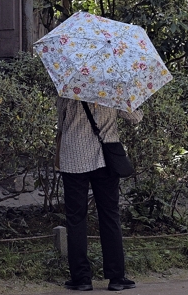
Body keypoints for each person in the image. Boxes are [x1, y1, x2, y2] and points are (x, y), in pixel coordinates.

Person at [57, 97, 142, 292]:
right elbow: (135, 116)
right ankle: (116, 277)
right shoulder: (113, 85)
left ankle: (81, 279)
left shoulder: (69, 84)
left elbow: (61, 122)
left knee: (76, 219)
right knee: (110, 216)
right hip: (106, 157)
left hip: (73, 157)